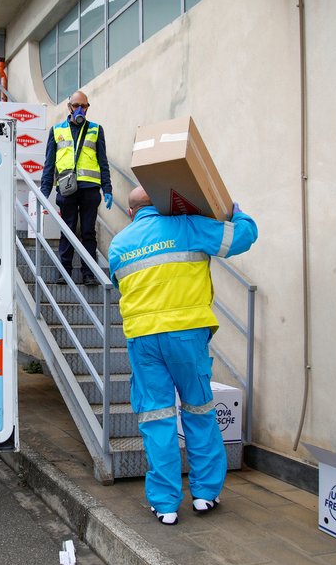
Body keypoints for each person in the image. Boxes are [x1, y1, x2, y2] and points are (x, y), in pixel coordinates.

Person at [107, 186, 257, 525]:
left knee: (156, 418)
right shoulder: (187, 226)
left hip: (144, 340)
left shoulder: (119, 244)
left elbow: (121, 286)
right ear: (161, 204)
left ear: (131, 213)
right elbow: (243, 238)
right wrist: (235, 211)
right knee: (199, 410)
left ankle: (165, 505)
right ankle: (205, 495)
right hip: (187, 335)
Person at [39, 90, 113, 285]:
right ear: (69, 107)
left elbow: (102, 161)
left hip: (90, 188)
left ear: (87, 108)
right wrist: (44, 191)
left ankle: (89, 274)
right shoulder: (56, 130)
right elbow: (49, 163)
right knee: (67, 230)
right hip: (66, 188)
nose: (80, 109)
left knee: (88, 232)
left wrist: (107, 189)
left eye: (84, 106)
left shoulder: (96, 130)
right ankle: (64, 272)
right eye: (76, 105)